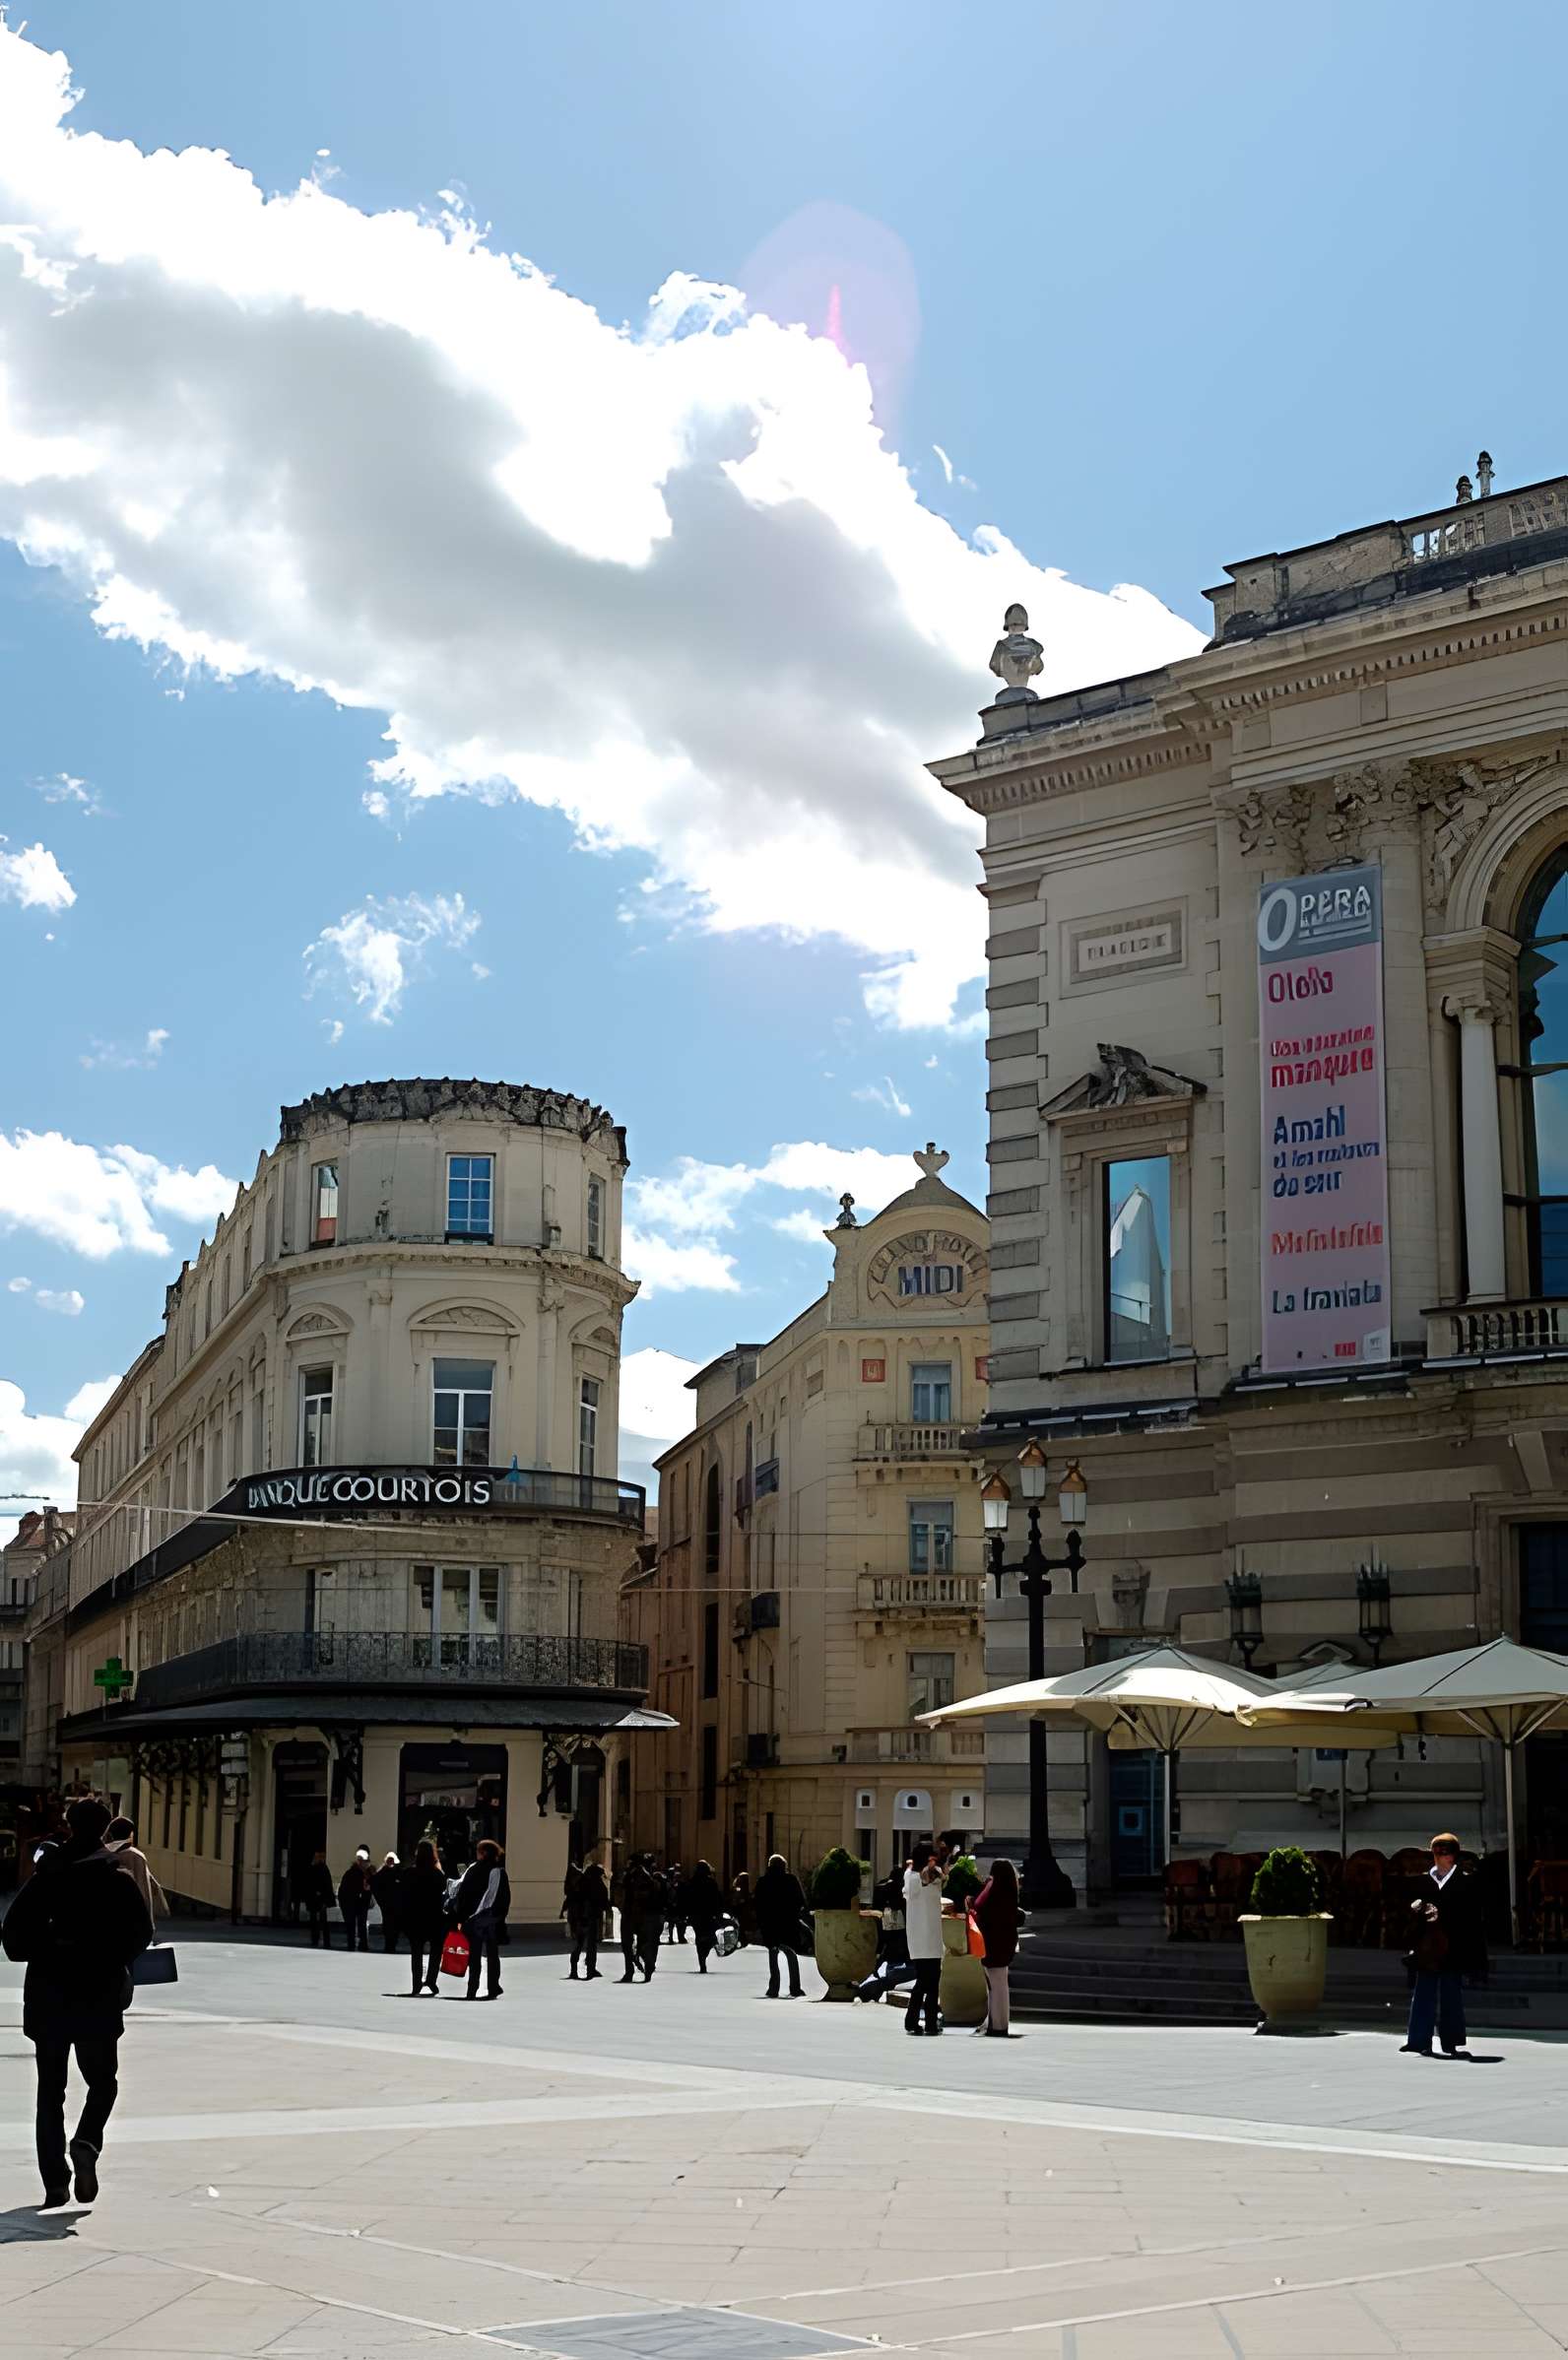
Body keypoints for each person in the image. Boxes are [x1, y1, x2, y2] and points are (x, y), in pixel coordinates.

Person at [2, 1795, 153, 2208]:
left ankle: (54, 2181)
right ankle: (86, 2140)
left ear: (68, 1825)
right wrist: (106, 1955)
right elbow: (140, 1934)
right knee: (102, 2082)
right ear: (105, 1829)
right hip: (97, 1996)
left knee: (50, 2092)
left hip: (49, 1997)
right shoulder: (116, 1876)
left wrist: (51, 1945)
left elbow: (12, 1938)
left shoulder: (46, 1875)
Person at [1403, 1832, 1486, 2058]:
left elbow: (1472, 1918)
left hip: (1454, 1944)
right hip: (1428, 1945)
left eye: (1447, 1851)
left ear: (1455, 1855)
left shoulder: (1466, 1880)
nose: (1442, 1856)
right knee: (1424, 1992)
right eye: (1438, 1851)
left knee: (1451, 1993)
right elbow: (1410, 1910)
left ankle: (1451, 2041)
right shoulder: (1423, 1880)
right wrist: (1418, 1910)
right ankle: (1418, 2040)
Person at [450, 1838, 509, 1999]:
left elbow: (462, 1894)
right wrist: (499, 1918)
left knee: (474, 1956)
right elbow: (504, 1898)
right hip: (491, 1919)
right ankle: (493, 1987)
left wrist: (461, 1917)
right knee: (492, 1955)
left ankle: (472, 1988)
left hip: (472, 1920)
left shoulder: (473, 1869)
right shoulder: (499, 1871)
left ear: (483, 1853)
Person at [971, 1857, 1020, 2037]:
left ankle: (996, 2025)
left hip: (992, 1942)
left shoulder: (993, 1886)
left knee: (993, 1985)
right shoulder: (1012, 1889)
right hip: (1006, 1941)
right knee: (1001, 1985)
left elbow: (979, 1904)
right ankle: (1001, 2023)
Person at [854, 1869, 916, 2002]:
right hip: (900, 1940)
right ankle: (870, 1988)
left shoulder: (890, 1892)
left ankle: (869, 1988)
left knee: (889, 1967)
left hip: (895, 1940)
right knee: (894, 1969)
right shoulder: (904, 1894)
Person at [903, 1841, 945, 2036]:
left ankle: (929, 2022)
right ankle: (912, 2019)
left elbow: (939, 1880)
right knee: (924, 1980)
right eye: (931, 1858)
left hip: (933, 1936)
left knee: (933, 1981)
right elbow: (919, 1884)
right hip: (920, 1936)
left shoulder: (935, 1875)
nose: (933, 1862)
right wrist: (928, 1872)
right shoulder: (912, 1877)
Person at [754, 1852, 807, 1998]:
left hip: (769, 1924)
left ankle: (774, 1988)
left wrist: (760, 1922)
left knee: (773, 1953)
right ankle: (795, 1987)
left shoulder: (763, 1881)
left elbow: (757, 1904)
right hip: (788, 1923)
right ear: (784, 1866)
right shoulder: (791, 1880)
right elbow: (800, 1901)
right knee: (791, 1954)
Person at [401, 1840, 448, 1996]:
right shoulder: (438, 1874)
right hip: (435, 1918)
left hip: (415, 1918)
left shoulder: (409, 1873)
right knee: (436, 1951)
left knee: (416, 1952)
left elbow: (404, 1896)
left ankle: (416, 1984)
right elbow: (444, 1893)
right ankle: (431, 1980)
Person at [103, 1817, 166, 1924]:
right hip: (132, 1915)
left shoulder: (102, 1853)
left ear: (110, 1833)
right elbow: (143, 1889)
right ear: (131, 1834)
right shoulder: (136, 1856)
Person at [618, 1854, 666, 1981]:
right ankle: (646, 1968)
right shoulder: (650, 1876)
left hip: (632, 1915)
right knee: (644, 1944)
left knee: (628, 1945)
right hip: (645, 1915)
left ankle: (631, 1971)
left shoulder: (633, 1875)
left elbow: (622, 1893)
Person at [566, 1859, 610, 1980]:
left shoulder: (580, 1882)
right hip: (591, 1918)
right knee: (591, 1945)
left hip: (580, 1918)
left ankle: (574, 1970)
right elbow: (605, 1902)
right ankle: (590, 1969)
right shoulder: (597, 1884)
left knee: (579, 1944)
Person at [681, 1860, 724, 1973]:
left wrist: (686, 1912)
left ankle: (702, 1959)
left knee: (701, 1937)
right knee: (709, 1937)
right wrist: (718, 1912)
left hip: (696, 1914)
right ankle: (703, 1957)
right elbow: (717, 1898)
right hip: (707, 1914)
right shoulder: (710, 1882)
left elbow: (687, 1898)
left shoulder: (692, 1882)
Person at [300, 1849, 335, 1948]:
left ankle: (316, 1939)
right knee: (321, 1920)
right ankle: (323, 1940)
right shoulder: (323, 1868)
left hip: (317, 1898)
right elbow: (327, 1885)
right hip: (319, 1898)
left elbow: (312, 1884)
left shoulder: (317, 1868)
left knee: (317, 1920)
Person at [372, 1851, 406, 1954]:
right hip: (387, 1905)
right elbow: (375, 1886)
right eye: (389, 1860)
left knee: (395, 1926)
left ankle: (392, 1944)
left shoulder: (400, 1873)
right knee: (388, 1925)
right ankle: (388, 1945)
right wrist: (381, 1901)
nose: (391, 1862)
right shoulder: (382, 1873)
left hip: (397, 1905)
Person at [729, 1868, 756, 1946]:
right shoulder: (741, 1889)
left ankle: (742, 1940)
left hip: (740, 1910)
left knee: (740, 1926)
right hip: (740, 1910)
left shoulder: (740, 1889)